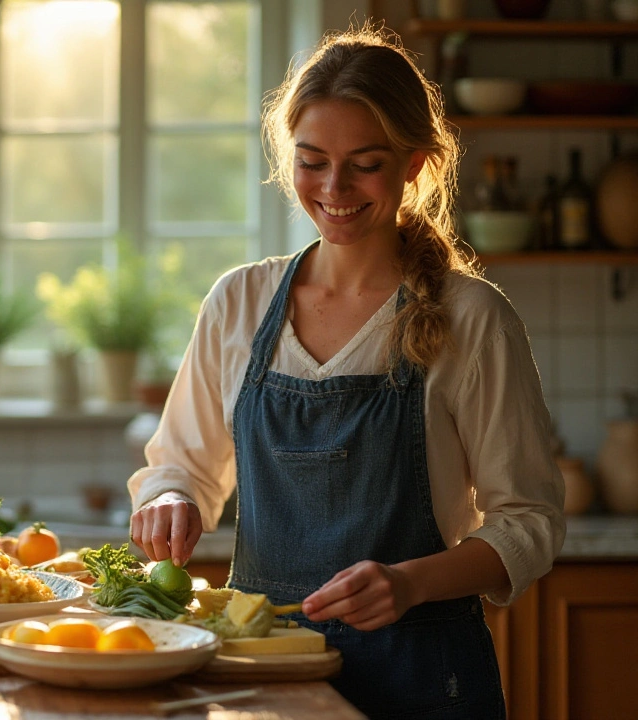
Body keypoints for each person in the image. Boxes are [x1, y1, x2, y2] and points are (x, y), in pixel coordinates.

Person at [126, 26, 564, 719]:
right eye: (312, 161)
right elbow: (181, 466)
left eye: (365, 163)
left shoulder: (472, 316)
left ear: (413, 164)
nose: (334, 188)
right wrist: (170, 499)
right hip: (261, 671)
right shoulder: (239, 302)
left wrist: (410, 584)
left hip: (425, 677)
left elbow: (529, 523)